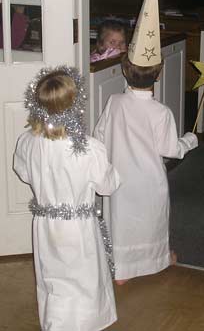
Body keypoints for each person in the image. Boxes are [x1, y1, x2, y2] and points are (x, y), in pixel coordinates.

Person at [94, 0, 198, 285]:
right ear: (159, 73)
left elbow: (100, 136)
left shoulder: (114, 102)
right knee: (152, 221)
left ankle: (121, 269)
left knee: (120, 222)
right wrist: (190, 141)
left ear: (125, 70)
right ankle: (159, 257)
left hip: (120, 177)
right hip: (150, 181)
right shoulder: (160, 112)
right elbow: (169, 149)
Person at [13, 66, 120, 331]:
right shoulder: (88, 148)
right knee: (83, 276)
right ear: (74, 104)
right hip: (78, 226)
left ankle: (56, 323)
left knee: (51, 276)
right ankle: (85, 323)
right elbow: (107, 186)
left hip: (45, 224)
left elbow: (24, 172)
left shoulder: (27, 141)